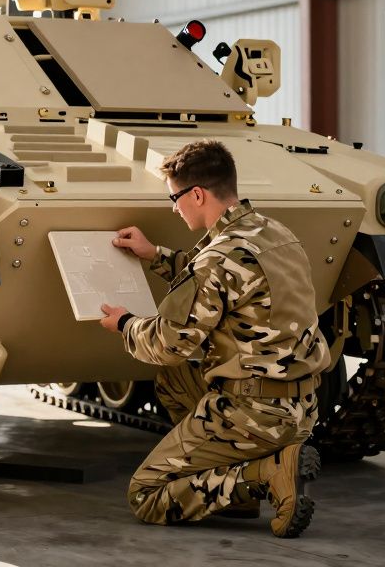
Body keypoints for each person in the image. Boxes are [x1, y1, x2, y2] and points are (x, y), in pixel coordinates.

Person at [97, 139, 330, 538]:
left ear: (198, 194)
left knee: (147, 495)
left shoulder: (217, 259)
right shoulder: (275, 233)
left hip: (253, 412)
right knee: (174, 384)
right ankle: (234, 486)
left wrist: (124, 324)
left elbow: (168, 345)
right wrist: (153, 254)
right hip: (303, 406)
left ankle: (263, 474)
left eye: (175, 197)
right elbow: (220, 280)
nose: (174, 206)